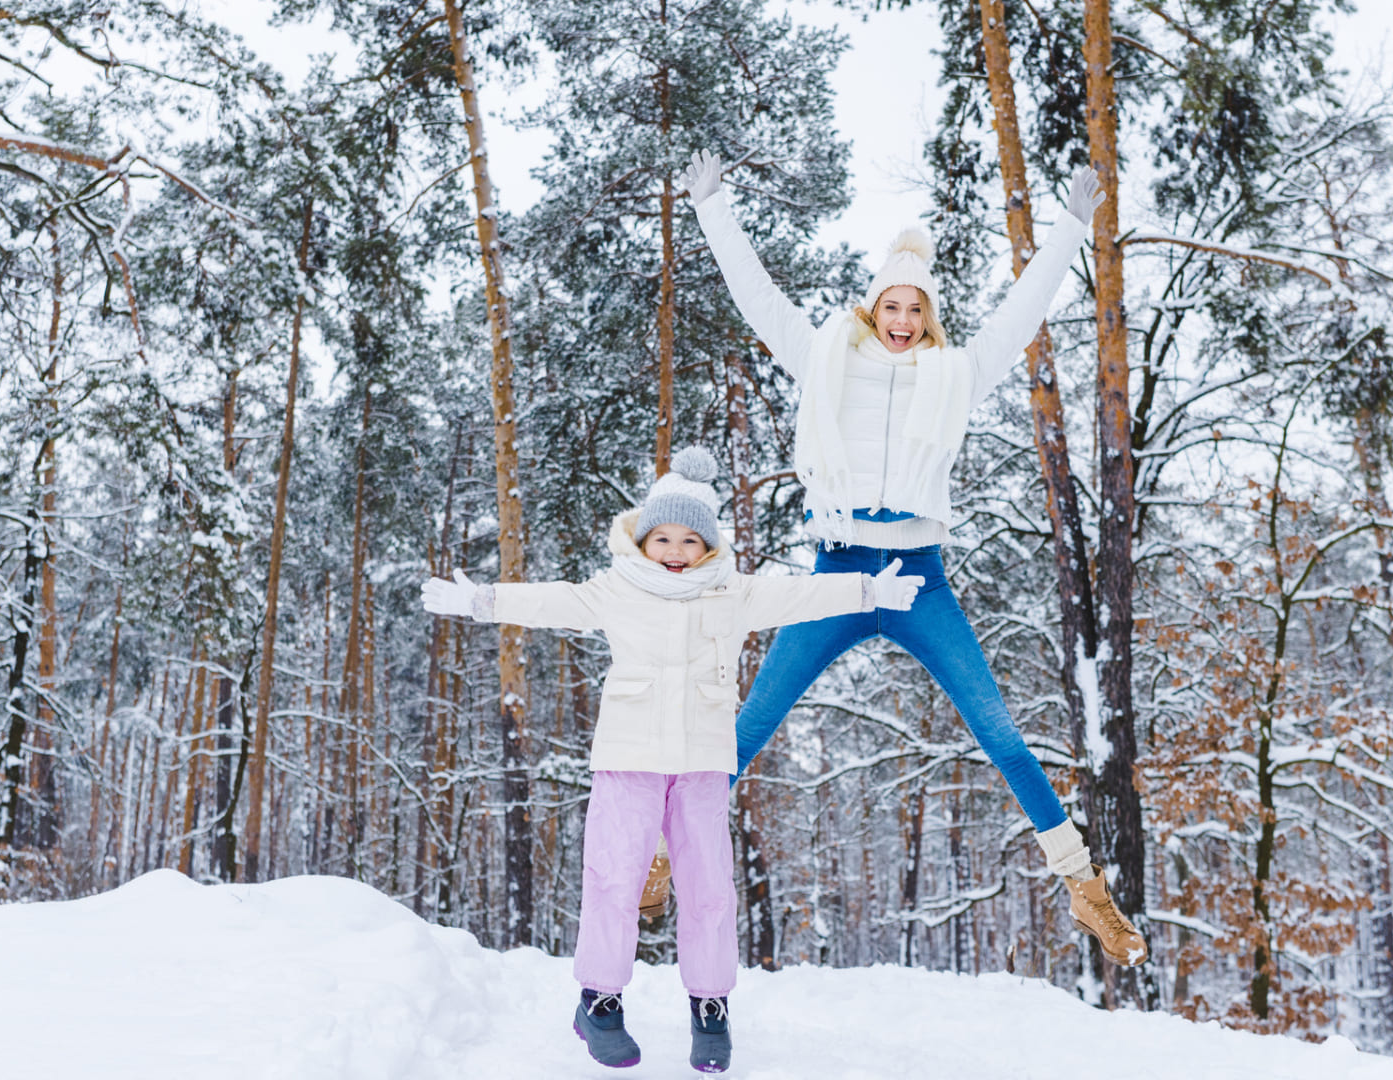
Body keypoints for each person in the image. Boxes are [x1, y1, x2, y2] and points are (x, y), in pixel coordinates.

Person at [661, 149, 1147, 968]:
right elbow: (760, 300)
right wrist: (713, 210)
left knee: (1000, 732)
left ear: (927, 316)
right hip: (838, 574)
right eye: (891, 304)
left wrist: (1068, 228)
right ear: (873, 305)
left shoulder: (954, 373)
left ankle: (1084, 887)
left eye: (914, 309)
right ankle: (664, 859)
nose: (902, 318)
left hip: (919, 578)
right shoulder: (824, 360)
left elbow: (1020, 315)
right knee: (749, 725)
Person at [421, 446, 923, 1072]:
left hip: (703, 761)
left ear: (708, 545)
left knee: (710, 887)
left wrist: (868, 588)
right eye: (663, 537)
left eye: (691, 539)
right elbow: (551, 602)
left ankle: (710, 1006)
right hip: (629, 756)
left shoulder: (732, 593)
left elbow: (800, 596)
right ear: (643, 537)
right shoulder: (616, 589)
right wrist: (483, 600)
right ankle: (599, 1000)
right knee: (614, 879)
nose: (677, 550)